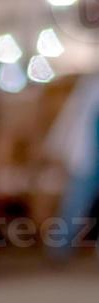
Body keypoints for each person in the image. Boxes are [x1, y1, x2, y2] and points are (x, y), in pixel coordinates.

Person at [46, 73, 99, 261]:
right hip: (89, 160)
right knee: (74, 205)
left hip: (89, 159)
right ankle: (58, 250)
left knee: (75, 204)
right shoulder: (90, 87)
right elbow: (70, 122)